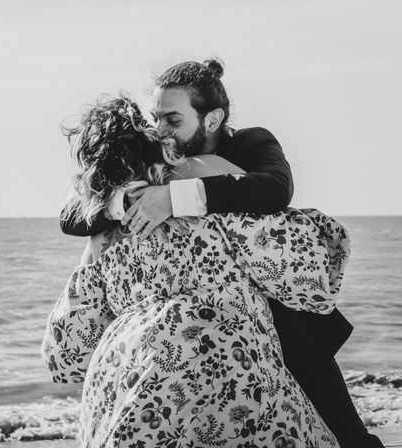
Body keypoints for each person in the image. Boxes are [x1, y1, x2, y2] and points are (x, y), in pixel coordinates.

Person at [59, 60, 383, 448]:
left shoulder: (249, 144)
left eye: (173, 119)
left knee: (346, 432)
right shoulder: (157, 162)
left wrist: (175, 198)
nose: (161, 129)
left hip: (280, 312)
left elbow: (275, 190)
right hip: (207, 327)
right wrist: (122, 200)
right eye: (157, 118)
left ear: (211, 119)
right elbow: (71, 217)